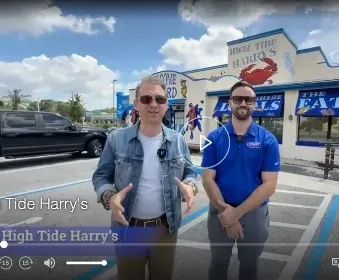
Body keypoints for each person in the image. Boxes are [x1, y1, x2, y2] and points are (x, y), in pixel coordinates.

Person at [92, 75, 200, 280]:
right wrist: (109, 196)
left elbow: (190, 172)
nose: (153, 104)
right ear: (136, 105)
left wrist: (189, 187)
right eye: (146, 99)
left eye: (159, 99)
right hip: (128, 230)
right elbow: (101, 176)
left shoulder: (177, 140)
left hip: (166, 229)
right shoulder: (117, 139)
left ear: (166, 105)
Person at [201, 80, 281, 280]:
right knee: (218, 265)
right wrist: (226, 214)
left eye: (248, 99)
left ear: (255, 103)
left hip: (254, 215)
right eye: (238, 98)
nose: (243, 103)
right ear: (230, 102)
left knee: (249, 268)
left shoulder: (268, 140)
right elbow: (208, 180)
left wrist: (237, 213)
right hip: (220, 212)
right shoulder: (214, 137)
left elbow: (270, 185)